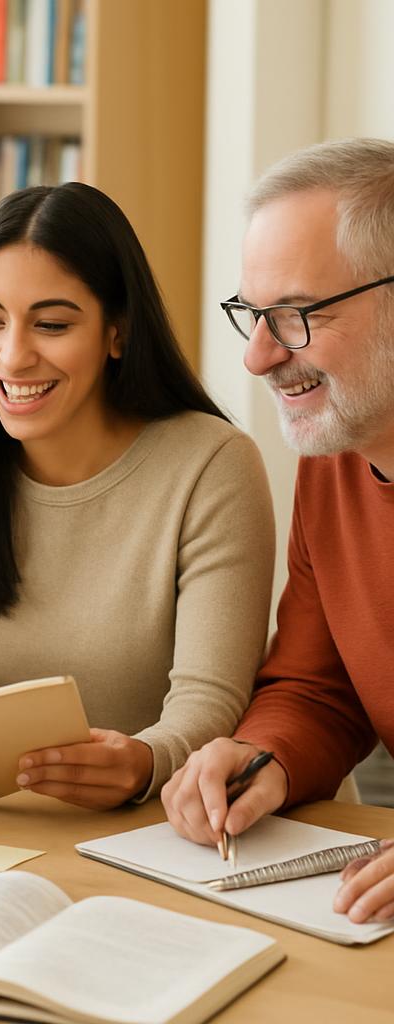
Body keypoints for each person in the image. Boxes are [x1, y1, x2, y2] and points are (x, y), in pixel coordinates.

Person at [0, 183, 276, 808]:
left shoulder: (214, 465)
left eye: (53, 324)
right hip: (41, 823)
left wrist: (145, 762)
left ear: (117, 333)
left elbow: (211, 704)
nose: (12, 356)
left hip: (206, 820)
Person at [162, 138, 394, 923]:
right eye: (253, 315)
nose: (260, 357)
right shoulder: (337, 459)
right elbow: (317, 687)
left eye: (295, 315)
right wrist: (264, 757)